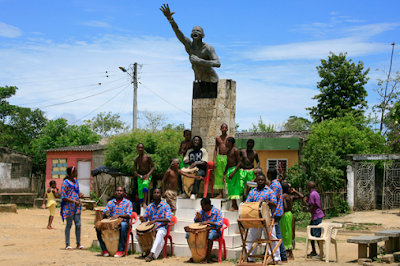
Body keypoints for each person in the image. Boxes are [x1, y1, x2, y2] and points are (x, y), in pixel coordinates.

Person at [160, 4, 221, 84]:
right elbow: (178, 32)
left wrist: (199, 60)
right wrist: (170, 19)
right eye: (193, 30)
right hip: (198, 80)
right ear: (191, 35)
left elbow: (217, 63)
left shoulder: (208, 48)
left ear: (203, 36)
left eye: (198, 31)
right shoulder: (189, 45)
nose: (195, 32)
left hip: (212, 80)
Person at [245, 174, 277, 263]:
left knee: (271, 237)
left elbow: (274, 203)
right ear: (256, 181)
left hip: (267, 217)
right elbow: (247, 203)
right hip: (255, 218)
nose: (260, 181)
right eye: (259, 180)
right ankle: (250, 257)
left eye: (262, 180)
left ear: (265, 181)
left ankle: (274, 257)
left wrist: (266, 202)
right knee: (253, 238)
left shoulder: (270, 191)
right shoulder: (252, 192)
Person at [137, 188, 172, 262]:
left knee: (159, 234)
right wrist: (142, 218)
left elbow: (168, 219)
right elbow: (145, 219)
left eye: (158, 193)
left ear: (160, 194)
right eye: (155, 193)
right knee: (138, 234)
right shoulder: (149, 206)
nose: (156, 194)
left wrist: (156, 220)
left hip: (162, 227)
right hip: (151, 228)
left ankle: (151, 254)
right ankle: (145, 252)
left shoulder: (166, 206)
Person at [96, 186, 132, 257]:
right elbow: (105, 212)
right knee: (98, 226)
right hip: (111, 222)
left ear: (124, 193)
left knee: (124, 225)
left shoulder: (128, 203)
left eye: (121, 191)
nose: (119, 192)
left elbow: (129, 215)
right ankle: (104, 250)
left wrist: (119, 216)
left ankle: (121, 250)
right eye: (117, 190)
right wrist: (106, 213)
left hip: (123, 221)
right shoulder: (111, 202)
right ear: (115, 192)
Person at [185, 197, 223, 264]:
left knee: (210, 236)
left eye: (203, 205)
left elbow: (220, 224)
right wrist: (197, 219)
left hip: (214, 231)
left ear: (208, 205)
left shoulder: (217, 211)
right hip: (203, 231)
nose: (201, 207)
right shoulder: (202, 211)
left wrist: (208, 222)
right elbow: (196, 222)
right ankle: (195, 255)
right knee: (188, 235)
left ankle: (207, 258)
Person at [61, 166, 85, 250]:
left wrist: (80, 194)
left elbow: (76, 192)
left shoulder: (75, 182)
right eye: (75, 172)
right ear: (71, 173)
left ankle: (78, 244)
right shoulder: (65, 183)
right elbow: (64, 197)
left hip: (77, 207)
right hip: (69, 207)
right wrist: (74, 201)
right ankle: (67, 244)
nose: (77, 173)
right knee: (69, 225)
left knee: (78, 225)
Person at [267, 168, 287, 263]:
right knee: (276, 234)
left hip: (275, 212)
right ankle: (281, 254)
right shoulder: (276, 183)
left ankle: (283, 255)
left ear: (270, 175)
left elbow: (273, 199)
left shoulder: (274, 185)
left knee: (277, 234)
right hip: (278, 211)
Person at [281, 182, 304, 260]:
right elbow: (302, 196)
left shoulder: (283, 196)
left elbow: (285, 206)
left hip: (284, 215)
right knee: (290, 232)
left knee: (285, 233)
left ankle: (289, 253)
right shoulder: (291, 197)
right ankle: (288, 251)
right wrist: (295, 191)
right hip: (290, 214)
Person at [304, 181, 325, 258]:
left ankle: (321, 253)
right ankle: (314, 251)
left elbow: (311, 206)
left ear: (309, 187)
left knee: (316, 235)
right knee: (311, 234)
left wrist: (305, 203)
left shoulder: (312, 194)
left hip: (316, 216)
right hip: (316, 216)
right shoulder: (316, 193)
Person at [183, 136, 208, 200]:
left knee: (198, 175)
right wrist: (186, 161)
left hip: (201, 169)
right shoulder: (190, 151)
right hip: (191, 169)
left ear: (200, 142)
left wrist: (196, 163)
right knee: (180, 173)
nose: (195, 141)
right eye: (194, 140)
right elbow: (185, 160)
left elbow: (205, 162)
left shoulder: (203, 150)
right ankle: (184, 192)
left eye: (197, 140)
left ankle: (193, 193)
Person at [134, 143, 155, 209]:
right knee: (140, 190)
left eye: (142, 147)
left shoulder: (147, 157)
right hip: (140, 176)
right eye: (139, 148)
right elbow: (134, 171)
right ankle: (141, 202)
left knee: (145, 186)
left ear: (143, 149)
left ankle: (144, 202)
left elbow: (153, 167)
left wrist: (148, 175)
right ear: (137, 149)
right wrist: (140, 176)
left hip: (147, 175)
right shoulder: (136, 159)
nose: (140, 149)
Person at [223, 137, 241, 211]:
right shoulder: (228, 151)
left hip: (235, 170)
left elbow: (239, 162)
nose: (225, 143)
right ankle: (234, 205)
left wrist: (233, 172)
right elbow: (228, 163)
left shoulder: (235, 150)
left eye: (226, 142)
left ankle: (234, 206)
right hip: (229, 170)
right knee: (230, 187)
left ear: (230, 143)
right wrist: (224, 174)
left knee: (234, 188)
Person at [213, 123, 231, 199]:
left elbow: (233, 148)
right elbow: (215, 149)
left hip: (227, 157)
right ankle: (220, 194)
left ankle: (228, 194)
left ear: (227, 129)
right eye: (222, 128)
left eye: (225, 128)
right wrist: (214, 160)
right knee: (219, 175)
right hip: (219, 157)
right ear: (220, 129)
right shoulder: (218, 138)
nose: (224, 129)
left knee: (227, 175)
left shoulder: (229, 138)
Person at [178, 129, 192, 196]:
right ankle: (183, 192)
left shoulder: (192, 142)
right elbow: (179, 153)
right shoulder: (182, 143)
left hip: (189, 161)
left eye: (189, 135)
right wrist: (183, 151)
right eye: (187, 135)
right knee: (182, 177)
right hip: (183, 161)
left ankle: (189, 191)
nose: (188, 136)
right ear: (184, 135)